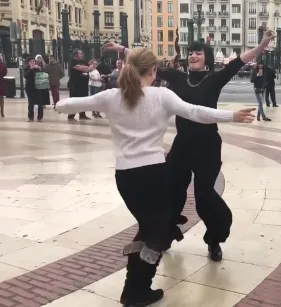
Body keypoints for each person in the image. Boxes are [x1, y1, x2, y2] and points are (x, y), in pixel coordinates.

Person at [55, 47, 255, 307]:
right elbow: (196, 112)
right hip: (153, 174)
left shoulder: (112, 96)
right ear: (152, 71)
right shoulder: (161, 96)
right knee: (156, 233)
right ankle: (136, 292)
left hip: (125, 178)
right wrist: (231, 116)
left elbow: (64, 105)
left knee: (148, 228)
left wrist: (59, 104)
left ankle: (135, 289)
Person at [104, 29, 275, 262]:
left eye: (198, 52)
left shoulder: (215, 78)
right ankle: (164, 236)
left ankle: (214, 239)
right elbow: (147, 62)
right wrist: (121, 49)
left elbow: (241, 60)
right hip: (182, 145)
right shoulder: (177, 77)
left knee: (204, 196)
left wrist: (263, 44)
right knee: (171, 191)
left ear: (207, 57)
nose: (193, 55)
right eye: (191, 52)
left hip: (208, 146)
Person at [67, 49, 92, 121]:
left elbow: (90, 68)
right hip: (75, 85)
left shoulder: (84, 61)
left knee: (83, 100)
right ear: (76, 55)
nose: (82, 55)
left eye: (82, 53)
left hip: (83, 85)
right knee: (74, 101)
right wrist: (86, 68)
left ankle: (82, 115)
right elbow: (80, 68)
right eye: (80, 53)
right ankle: (71, 115)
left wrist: (87, 68)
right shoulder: (73, 61)